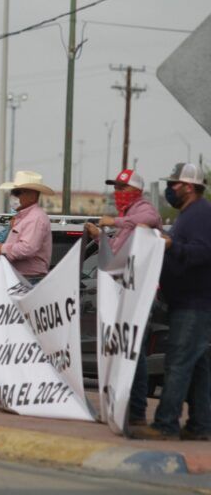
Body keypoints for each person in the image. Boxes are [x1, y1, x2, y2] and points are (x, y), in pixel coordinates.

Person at [132, 163, 211, 441]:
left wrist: (170, 245)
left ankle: (166, 424)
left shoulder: (199, 214)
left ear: (189, 186)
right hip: (188, 303)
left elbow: (203, 252)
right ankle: (201, 425)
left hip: (194, 304)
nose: (170, 189)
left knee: (176, 364)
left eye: (174, 184)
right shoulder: (188, 214)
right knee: (199, 368)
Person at [84, 169, 162, 426]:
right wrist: (100, 236)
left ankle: (137, 411)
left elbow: (149, 220)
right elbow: (117, 252)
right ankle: (125, 407)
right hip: (122, 293)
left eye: (122, 188)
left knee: (133, 351)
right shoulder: (126, 217)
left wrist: (113, 223)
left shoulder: (144, 210)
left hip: (138, 294)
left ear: (135, 191)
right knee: (125, 351)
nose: (117, 193)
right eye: (115, 188)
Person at [0, 171, 54, 285]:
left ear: (32, 196)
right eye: (12, 192)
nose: (13, 196)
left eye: (17, 192)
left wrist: (2, 248)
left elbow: (27, 248)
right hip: (21, 278)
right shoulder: (24, 217)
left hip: (29, 280)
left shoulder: (36, 218)